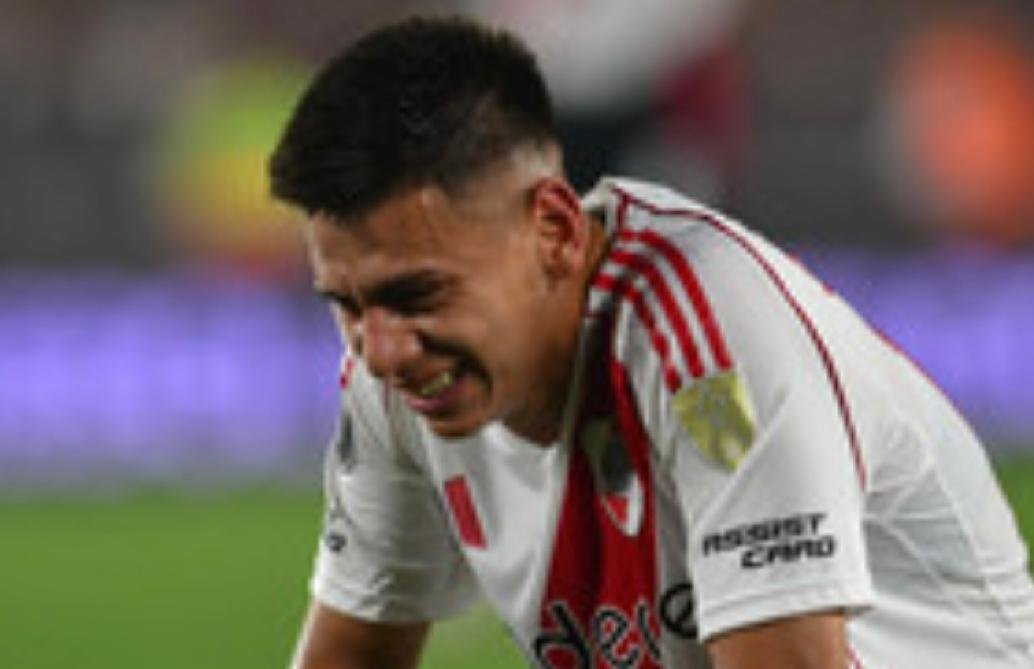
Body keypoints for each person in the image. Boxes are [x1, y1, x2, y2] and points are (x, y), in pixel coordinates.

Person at [268, 15, 1034, 669]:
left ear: (555, 231)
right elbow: (349, 654)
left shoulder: (712, 344)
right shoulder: (396, 377)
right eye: (346, 305)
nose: (382, 352)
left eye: (420, 295)